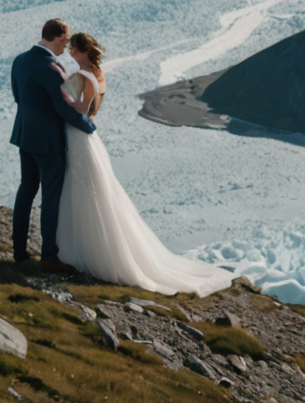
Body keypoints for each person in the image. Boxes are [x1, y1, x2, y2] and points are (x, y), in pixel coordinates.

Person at [52, 31, 233, 296]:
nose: (68, 52)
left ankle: (82, 253)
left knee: (81, 192)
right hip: (90, 137)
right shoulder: (98, 75)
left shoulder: (80, 76)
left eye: (72, 49)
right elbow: (91, 109)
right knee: (96, 193)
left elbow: (74, 108)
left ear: (81, 50)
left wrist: (59, 89)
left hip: (78, 136)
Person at [10, 18, 96, 273]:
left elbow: (18, 96)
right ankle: (49, 256)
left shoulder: (20, 60)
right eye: (63, 41)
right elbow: (64, 109)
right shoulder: (51, 68)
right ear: (54, 37)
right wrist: (89, 127)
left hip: (25, 136)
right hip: (47, 142)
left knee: (26, 190)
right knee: (51, 197)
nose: (65, 46)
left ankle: (18, 250)